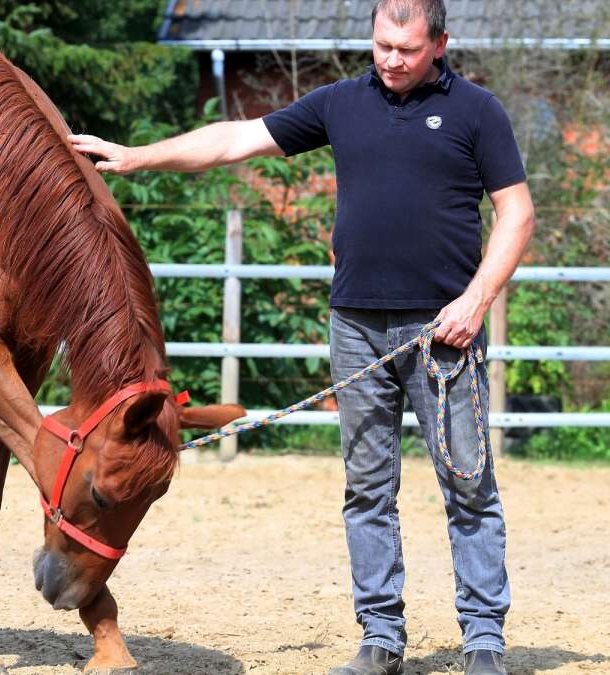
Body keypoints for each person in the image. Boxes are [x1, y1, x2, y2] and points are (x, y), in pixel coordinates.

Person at [69, 1, 534, 674]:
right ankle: (380, 637)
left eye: (406, 49)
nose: (391, 59)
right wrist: (136, 157)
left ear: (440, 43)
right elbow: (235, 139)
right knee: (367, 489)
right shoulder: (341, 103)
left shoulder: (477, 112)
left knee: (468, 484)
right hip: (356, 329)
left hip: (445, 334)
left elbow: (517, 214)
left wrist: (476, 299)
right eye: (382, 45)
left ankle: (484, 639)